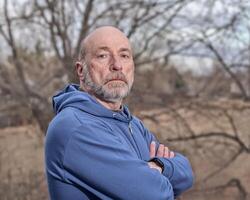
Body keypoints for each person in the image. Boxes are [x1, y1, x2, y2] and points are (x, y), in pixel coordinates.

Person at [45, 26, 194, 200]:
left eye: (124, 55)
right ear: (80, 70)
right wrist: (161, 176)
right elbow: (155, 194)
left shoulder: (132, 123)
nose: (117, 65)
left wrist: (159, 166)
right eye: (103, 56)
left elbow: (187, 173)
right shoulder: (75, 127)